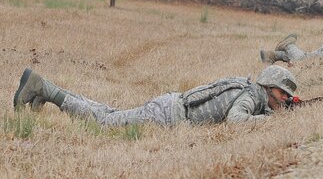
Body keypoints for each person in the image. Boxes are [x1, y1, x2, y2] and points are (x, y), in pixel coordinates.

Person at [13, 65, 298, 126]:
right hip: (166, 116)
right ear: (270, 87)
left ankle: (46, 91)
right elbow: (237, 120)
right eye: (283, 94)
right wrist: (271, 122)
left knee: (108, 114)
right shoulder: (250, 98)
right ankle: (45, 89)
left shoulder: (252, 92)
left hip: (168, 107)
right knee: (102, 123)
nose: (284, 99)